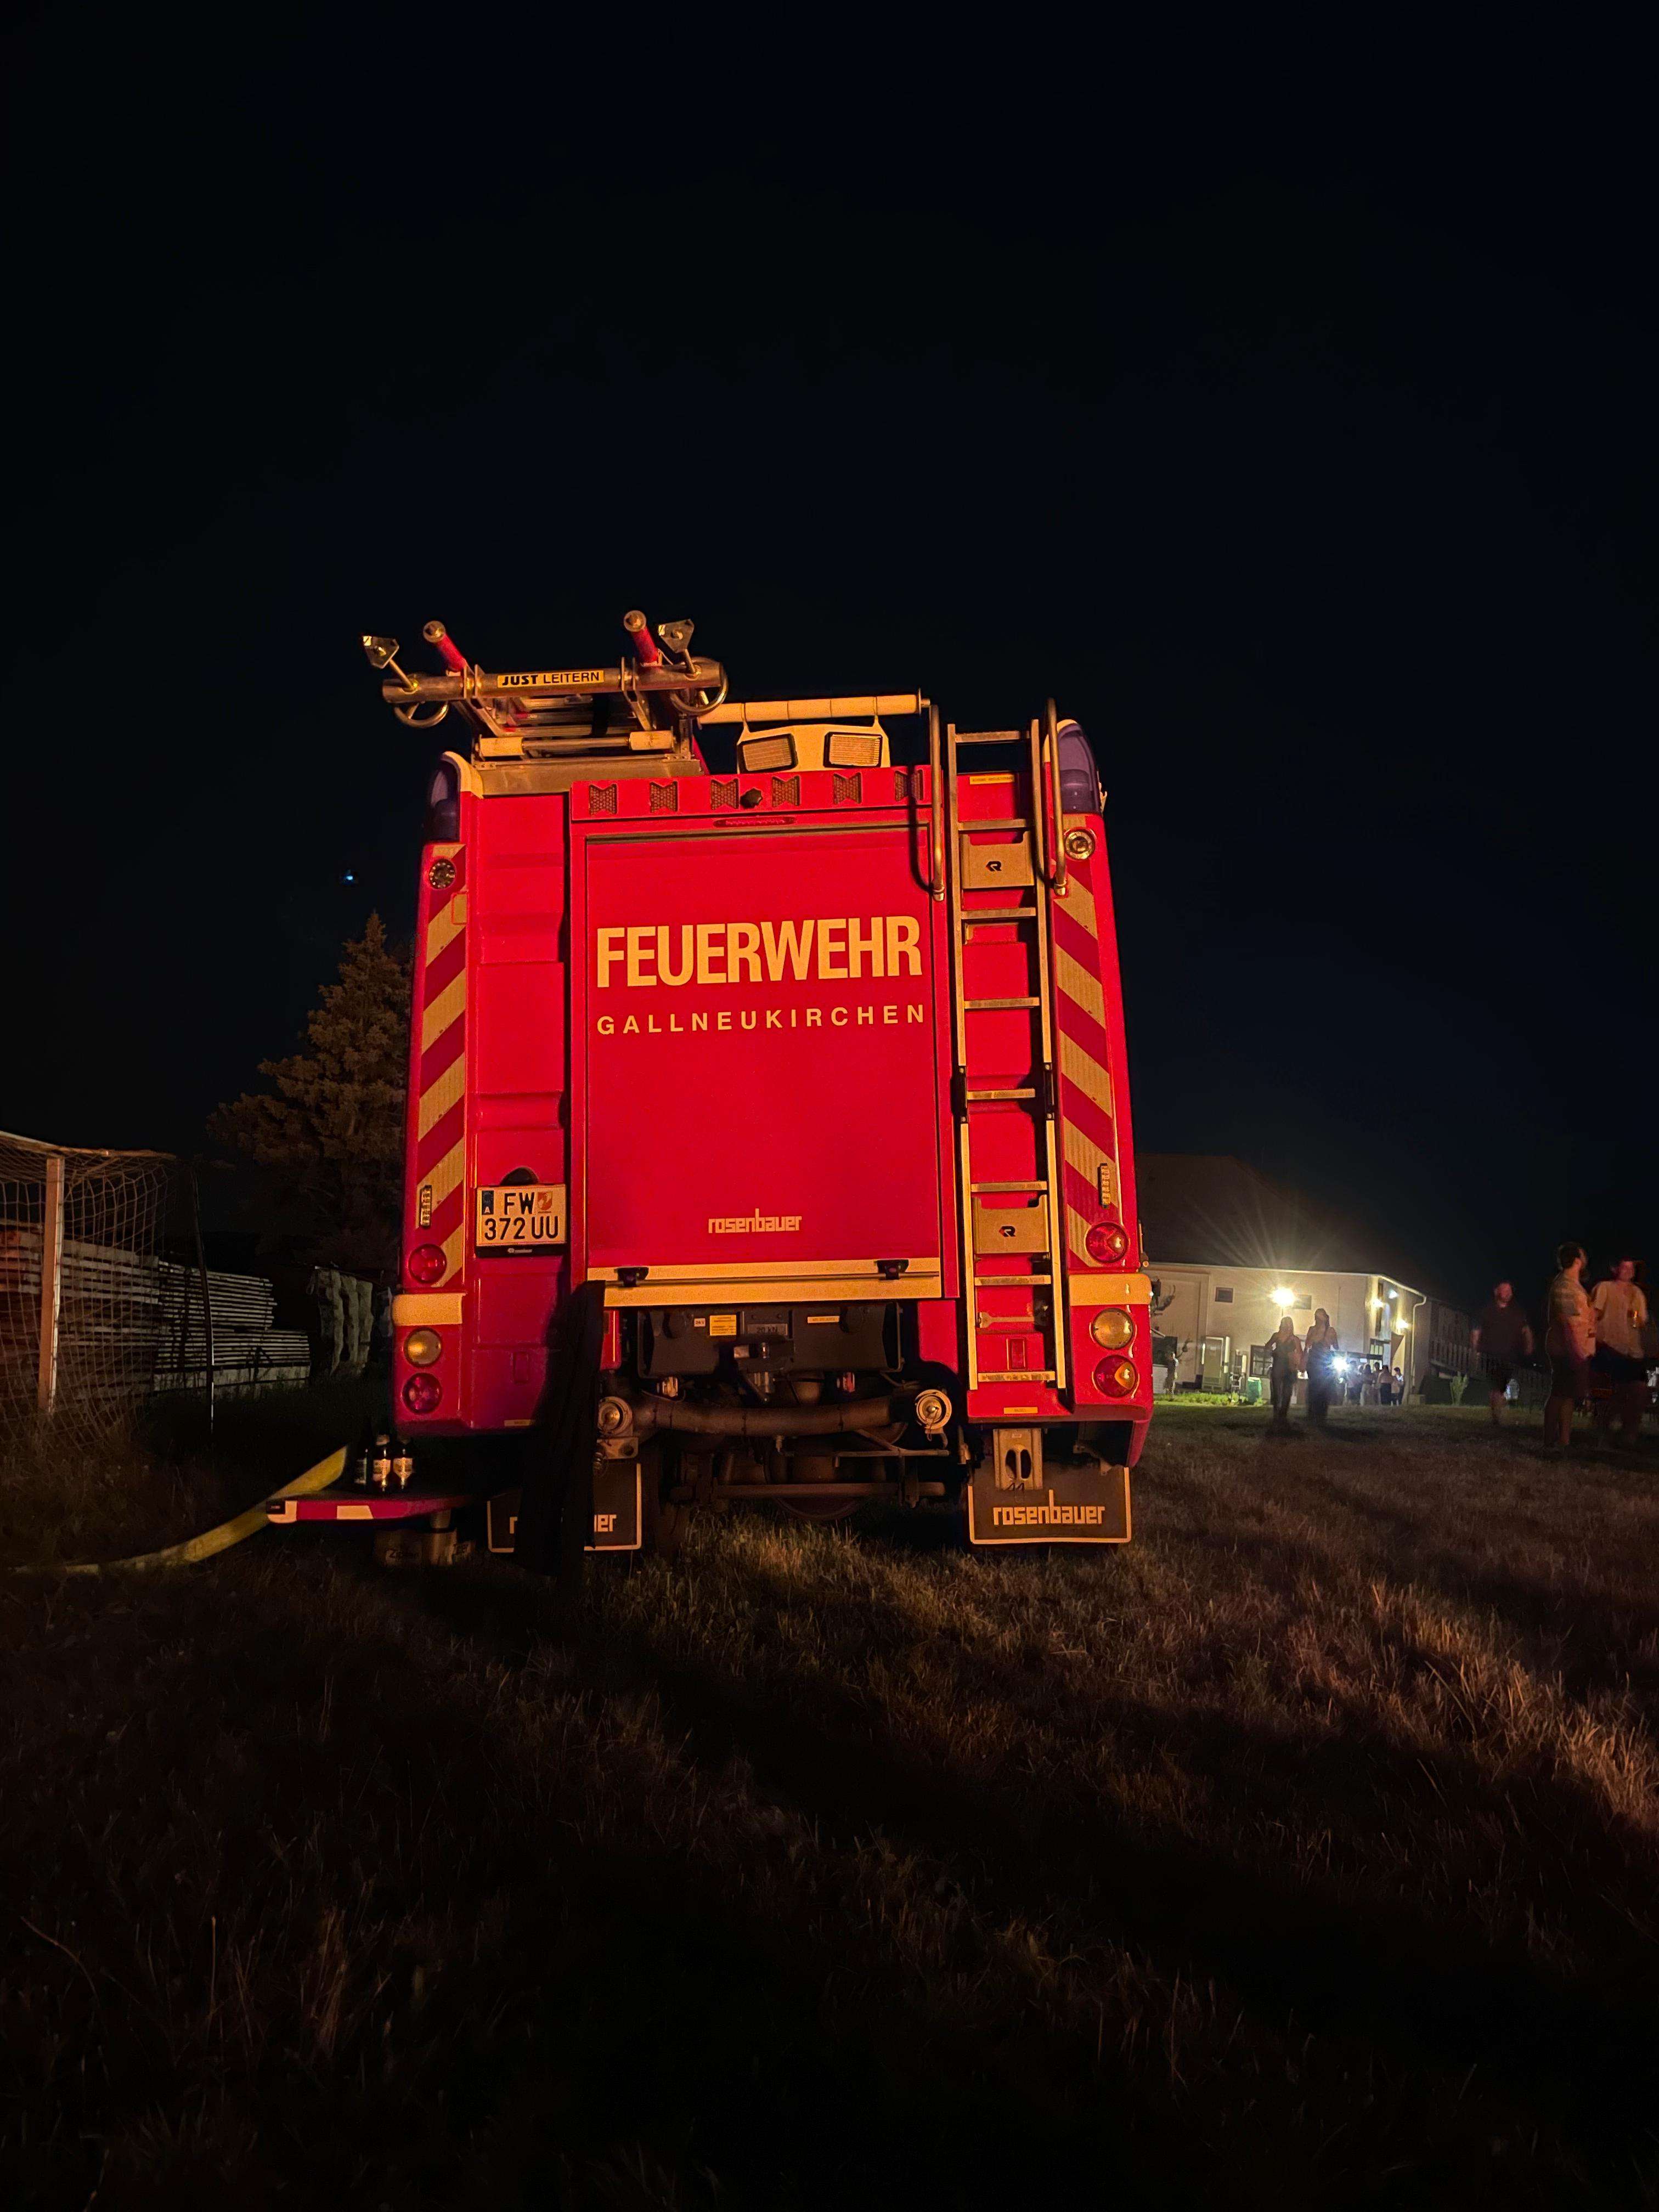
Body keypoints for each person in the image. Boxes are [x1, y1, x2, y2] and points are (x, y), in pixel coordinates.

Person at [1590, 1258, 1650, 1447]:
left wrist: (1633, 1313)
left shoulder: (1637, 1293)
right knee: (1606, 1394)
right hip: (1608, 1346)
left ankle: (1629, 1434)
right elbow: (1594, 1313)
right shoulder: (1605, 1288)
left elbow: (1639, 1322)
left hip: (1632, 1352)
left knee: (1638, 1391)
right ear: (1615, 1269)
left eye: (1631, 1268)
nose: (1628, 1271)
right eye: (1624, 1267)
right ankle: (1603, 1433)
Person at [1543, 1242, 1595, 1451]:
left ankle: (1564, 1439)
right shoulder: (1565, 1286)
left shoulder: (1574, 1285)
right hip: (1566, 1348)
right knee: (1559, 1392)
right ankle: (1549, 1440)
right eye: (1583, 1256)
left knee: (1568, 1394)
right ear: (1577, 1261)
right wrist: (1575, 1350)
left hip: (1576, 1348)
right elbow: (1565, 1321)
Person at [1471, 1280, 1536, 1427]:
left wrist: (1529, 1345)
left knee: (1503, 1387)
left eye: (1509, 1291)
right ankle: (1496, 1417)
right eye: (1504, 1290)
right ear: (1496, 1292)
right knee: (1495, 1386)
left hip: (1510, 1356)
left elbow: (1526, 1330)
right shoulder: (1487, 1311)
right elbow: (1476, 1331)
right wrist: (1475, 1349)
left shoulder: (1517, 1313)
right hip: (1490, 1355)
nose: (1507, 1293)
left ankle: (1497, 1413)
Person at [1304, 1308, 1340, 1424]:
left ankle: (1321, 1413)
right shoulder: (1312, 1330)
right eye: (1316, 1317)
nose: (1317, 1320)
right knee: (1314, 1386)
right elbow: (1307, 1344)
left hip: (1325, 1360)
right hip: (1314, 1360)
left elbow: (1336, 1346)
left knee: (1324, 1387)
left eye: (1319, 1317)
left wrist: (1331, 1339)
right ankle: (1312, 1412)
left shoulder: (1330, 1331)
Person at [1267, 1316, 1303, 1430]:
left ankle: (1283, 1414)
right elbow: (1268, 1346)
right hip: (1278, 1366)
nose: (1287, 1327)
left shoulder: (1295, 1339)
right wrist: (1272, 1351)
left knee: (1287, 1392)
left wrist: (1297, 1361)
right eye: (1285, 1324)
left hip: (1289, 1367)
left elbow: (1300, 1353)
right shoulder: (1277, 1336)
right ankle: (1277, 1413)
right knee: (1277, 1391)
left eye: (1288, 1325)